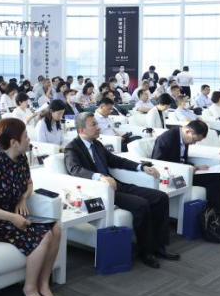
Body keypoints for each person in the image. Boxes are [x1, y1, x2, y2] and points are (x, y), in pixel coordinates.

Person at [0, 118, 63, 296]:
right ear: (14, 142)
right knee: (44, 236)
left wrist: (23, 198)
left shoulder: (22, 159)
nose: (29, 139)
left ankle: (43, 285)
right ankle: (29, 290)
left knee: (56, 228)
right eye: (26, 136)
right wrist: (11, 217)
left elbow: (29, 184)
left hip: (16, 215)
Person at [65, 112, 175, 268]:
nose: (98, 127)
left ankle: (159, 246)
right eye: (94, 124)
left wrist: (141, 167)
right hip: (101, 192)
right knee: (141, 204)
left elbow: (116, 160)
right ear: (82, 130)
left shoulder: (96, 144)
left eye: (97, 123)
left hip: (116, 185)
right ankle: (146, 251)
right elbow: (75, 169)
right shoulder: (72, 148)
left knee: (160, 197)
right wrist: (99, 177)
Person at [152, 119, 220, 234]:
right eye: (194, 140)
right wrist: (187, 168)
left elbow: (181, 159)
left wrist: (195, 166)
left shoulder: (184, 138)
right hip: (172, 177)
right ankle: (217, 220)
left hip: (184, 173)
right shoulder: (167, 138)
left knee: (217, 176)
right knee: (212, 181)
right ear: (188, 132)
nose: (193, 143)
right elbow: (158, 162)